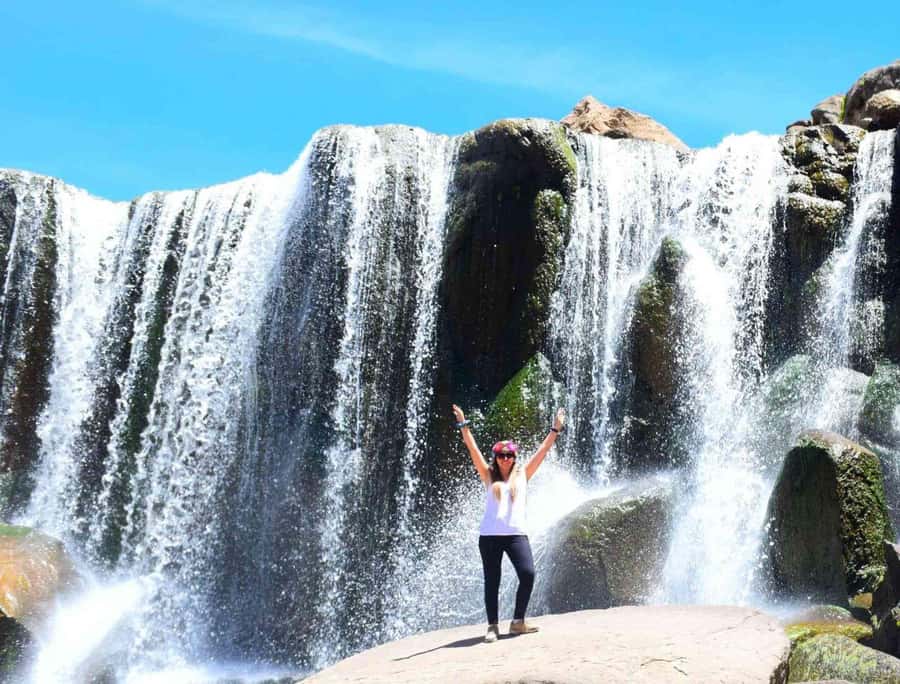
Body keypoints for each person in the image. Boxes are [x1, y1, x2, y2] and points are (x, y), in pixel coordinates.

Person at [451, 403, 566, 643]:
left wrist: (555, 429)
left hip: (516, 535)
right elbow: (472, 448)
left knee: (527, 573)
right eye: (501, 455)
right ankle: (492, 626)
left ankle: (518, 622)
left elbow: (543, 451)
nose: (505, 459)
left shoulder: (523, 474)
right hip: (490, 536)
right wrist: (463, 424)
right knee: (492, 580)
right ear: (496, 457)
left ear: (515, 458)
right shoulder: (487, 474)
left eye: (509, 455)